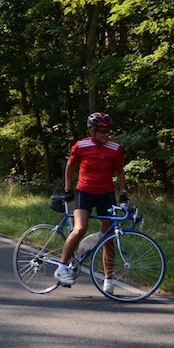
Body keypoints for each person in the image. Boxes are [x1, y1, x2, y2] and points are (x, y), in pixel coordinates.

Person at [54, 112, 128, 293]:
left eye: (108, 131)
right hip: (85, 192)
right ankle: (61, 268)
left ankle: (108, 280)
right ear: (92, 131)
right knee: (80, 228)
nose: (106, 134)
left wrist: (123, 194)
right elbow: (70, 166)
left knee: (108, 236)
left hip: (106, 194)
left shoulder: (115, 147)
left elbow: (119, 172)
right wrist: (68, 189)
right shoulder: (81, 145)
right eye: (102, 131)